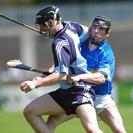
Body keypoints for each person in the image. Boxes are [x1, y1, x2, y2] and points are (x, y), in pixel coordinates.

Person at [20, 5, 102, 133]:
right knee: (30, 111)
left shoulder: (58, 43)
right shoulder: (72, 26)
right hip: (66, 92)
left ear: (51, 22)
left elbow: (61, 76)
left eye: (42, 25)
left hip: (81, 91)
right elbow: (90, 37)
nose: (41, 29)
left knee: (92, 129)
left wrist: (36, 83)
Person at [46, 16, 127, 133]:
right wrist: (55, 68)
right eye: (94, 27)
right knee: (51, 122)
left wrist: (79, 77)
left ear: (107, 33)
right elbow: (65, 59)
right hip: (79, 94)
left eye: (101, 29)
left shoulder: (106, 53)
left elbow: (101, 78)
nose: (96, 31)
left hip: (101, 98)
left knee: (119, 130)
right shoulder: (79, 44)